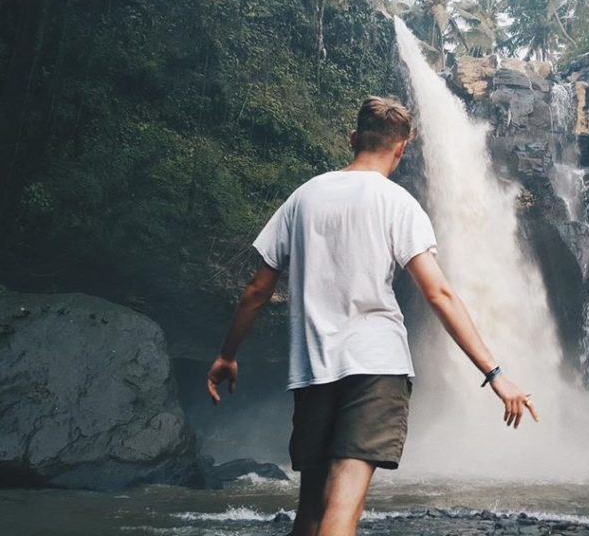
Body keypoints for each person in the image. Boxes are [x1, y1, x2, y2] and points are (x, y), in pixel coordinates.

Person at [206, 97, 538, 536]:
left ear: (353, 139)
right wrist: (495, 373)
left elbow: (257, 290)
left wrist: (228, 354)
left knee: (309, 511)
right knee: (343, 509)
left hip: (312, 370)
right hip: (376, 368)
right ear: (401, 150)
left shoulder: (302, 198)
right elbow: (438, 293)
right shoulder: (398, 204)